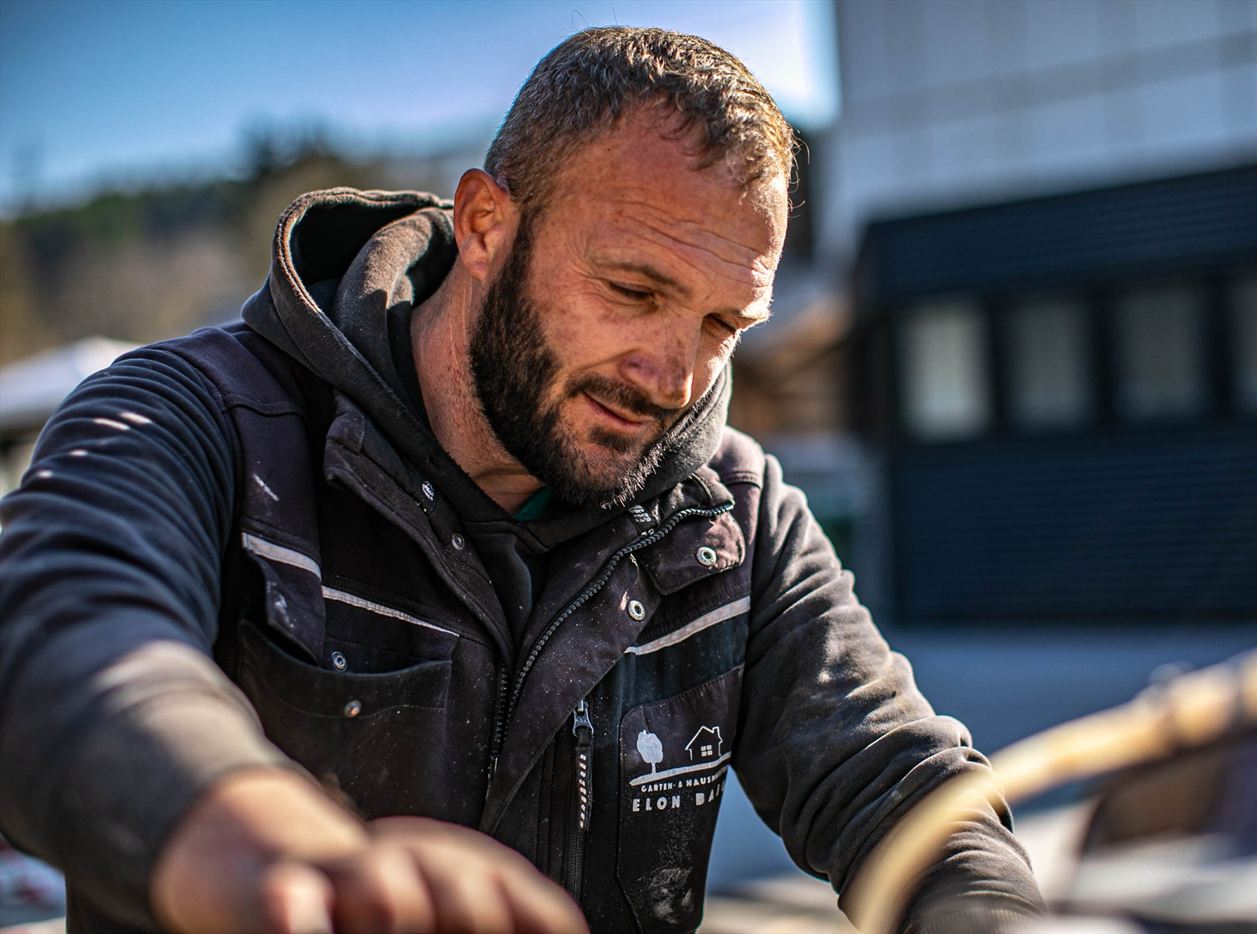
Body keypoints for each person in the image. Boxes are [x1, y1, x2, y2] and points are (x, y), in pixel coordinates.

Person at [0, 27, 1043, 933]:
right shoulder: (198, 421)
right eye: (632, 290)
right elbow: (56, 639)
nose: (675, 377)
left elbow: (895, 782)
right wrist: (261, 838)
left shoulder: (736, 517)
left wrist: (985, 908)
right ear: (486, 225)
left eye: (723, 323)